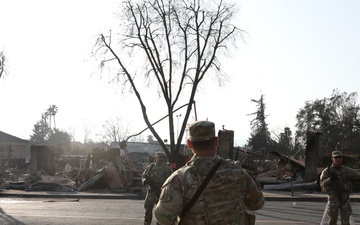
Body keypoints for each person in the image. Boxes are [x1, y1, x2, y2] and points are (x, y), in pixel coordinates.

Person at [155, 120, 265, 225]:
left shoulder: (180, 178)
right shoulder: (239, 172)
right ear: (216, 141)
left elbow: (164, 218)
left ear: (189, 144)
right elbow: (257, 204)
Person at [320, 150, 360, 225]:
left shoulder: (345, 170)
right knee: (332, 220)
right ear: (332, 159)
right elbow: (322, 183)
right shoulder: (327, 171)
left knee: (345, 220)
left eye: (340, 157)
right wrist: (330, 179)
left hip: (344, 198)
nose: (338, 159)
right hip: (333, 198)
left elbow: (356, 174)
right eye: (336, 157)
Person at [142, 151, 173, 225]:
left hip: (161, 192)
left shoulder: (166, 168)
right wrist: (145, 181)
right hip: (151, 192)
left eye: (162, 157)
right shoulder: (150, 167)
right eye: (159, 157)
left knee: (161, 210)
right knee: (148, 208)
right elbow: (144, 176)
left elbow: (171, 179)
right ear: (155, 158)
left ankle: (160, 223)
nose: (161, 159)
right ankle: (147, 222)